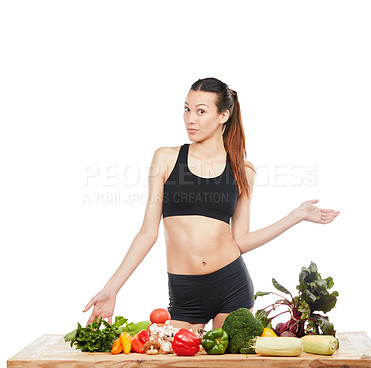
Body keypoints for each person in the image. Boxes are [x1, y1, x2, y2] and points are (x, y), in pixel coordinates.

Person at [83, 77, 340, 331]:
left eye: (200, 111)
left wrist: (296, 215)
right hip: (185, 293)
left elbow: (241, 240)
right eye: (187, 109)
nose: (190, 119)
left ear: (223, 116)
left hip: (231, 285)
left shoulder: (242, 171)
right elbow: (148, 232)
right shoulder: (166, 159)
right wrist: (111, 289)